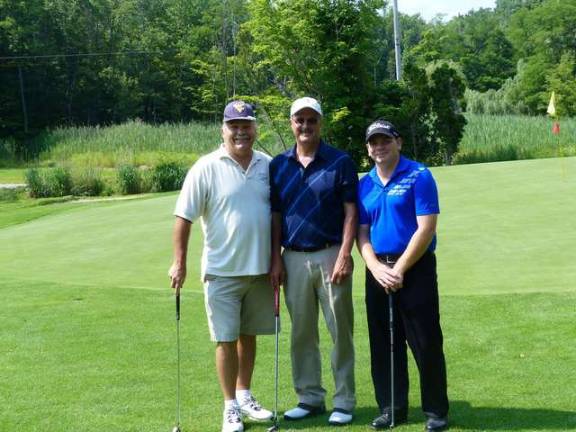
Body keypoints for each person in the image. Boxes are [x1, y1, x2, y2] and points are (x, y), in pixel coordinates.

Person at [169, 100, 274, 432]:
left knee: (249, 335)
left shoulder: (267, 164)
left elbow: (276, 216)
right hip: (221, 271)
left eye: (247, 125)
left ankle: (244, 395)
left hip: (259, 270)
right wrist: (179, 262)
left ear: (256, 129)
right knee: (226, 339)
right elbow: (183, 217)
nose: (241, 131)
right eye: (234, 126)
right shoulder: (206, 166)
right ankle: (229, 406)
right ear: (223, 129)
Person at [269, 97, 358, 426]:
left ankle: (344, 400)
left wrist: (346, 253)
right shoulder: (278, 165)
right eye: (299, 120)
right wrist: (274, 259)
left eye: (311, 120)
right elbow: (276, 216)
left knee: (341, 332)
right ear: (291, 124)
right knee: (302, 333)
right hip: (292, 257)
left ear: (321, 123)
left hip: (331, 253)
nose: (305, 126)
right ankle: (309, 397)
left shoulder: (340, 162)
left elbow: (351, 212)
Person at [356, 119, 449, 431]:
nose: (379, 147)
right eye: (373, 142)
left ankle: (435, 411)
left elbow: (426, 227)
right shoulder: (365, 183)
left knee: (424, 340)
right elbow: (362, 233)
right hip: (378, 270)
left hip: (415, 266)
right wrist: (374, 267)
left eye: (385, 140)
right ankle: (392, 408)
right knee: (383, 342)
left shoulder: (419, 175)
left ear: (398, 142)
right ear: (368, 149)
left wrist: (399, 269)